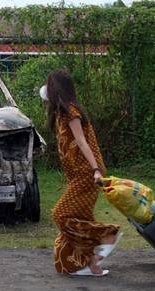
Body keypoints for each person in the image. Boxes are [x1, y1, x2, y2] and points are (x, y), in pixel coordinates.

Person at [40, 69, 121, 277]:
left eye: (48, 84)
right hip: (77, 175)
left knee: (60, 214)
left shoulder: (71, 112)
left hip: (87, 173)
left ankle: (107, 235)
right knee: (79, 217)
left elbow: (83, 143)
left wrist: (95, 170)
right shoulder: (59, 113)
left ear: (55, 88)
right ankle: (89, 265)